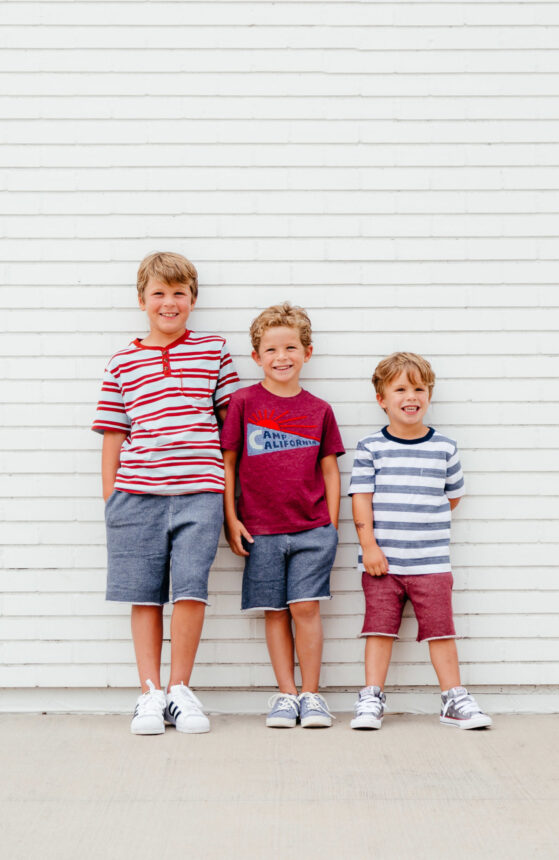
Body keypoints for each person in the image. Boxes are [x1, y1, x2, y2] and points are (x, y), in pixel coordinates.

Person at [92, 252, 239, 735]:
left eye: (179, 293)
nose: (169, 302)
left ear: (193, 300)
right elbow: (113, 436)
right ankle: (150, 693)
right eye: (159, 293)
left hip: (200, 491)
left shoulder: (214, 350)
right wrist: (112, 499)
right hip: (137, 497)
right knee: (144, 595)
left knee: (191, 589)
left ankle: (180, 689)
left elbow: (230, 431)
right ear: (142, 301)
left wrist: (229, 499)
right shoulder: (122, 362)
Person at [348, 352, 492, 730]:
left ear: (429, 395)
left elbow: (453, 496)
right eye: (400, 389)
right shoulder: (370, 447)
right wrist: (369, 548)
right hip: (383, 564)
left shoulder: (444, 447)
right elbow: (360, 499)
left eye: (419, 388)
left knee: (441, 631)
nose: (411, 396)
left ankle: (453, 699)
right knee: (379, 630)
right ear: (381, 399)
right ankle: (371, 697)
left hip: (431, 565)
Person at [221, 303, 345, 728]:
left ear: (307, 352)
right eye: (271, 349)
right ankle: (286, 694)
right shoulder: (243, 402)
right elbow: (229, 464)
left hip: (312, 529)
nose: (282, 357)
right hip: (261, 531)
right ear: (256, 357)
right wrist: (230, 518)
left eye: (291, 347)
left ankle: (312, 695)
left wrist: (330, 523)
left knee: (305, 608)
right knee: (275, 611)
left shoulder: (319, 409)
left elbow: (330, 468)